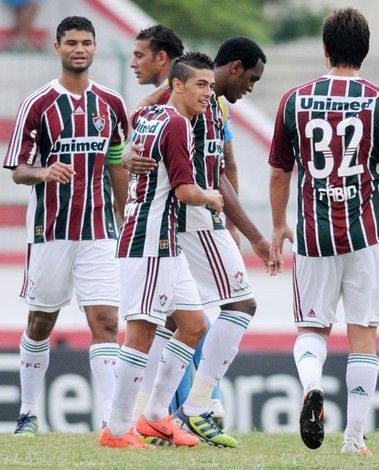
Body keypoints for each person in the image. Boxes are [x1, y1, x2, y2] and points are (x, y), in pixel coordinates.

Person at [268, 8, 379, 456]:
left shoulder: (294, 100)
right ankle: (353, 438)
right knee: (363, 335)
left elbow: (280, 172)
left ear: (324, 50)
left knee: (311, 329)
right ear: (365, 50)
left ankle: (313, 386)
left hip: (314, 236)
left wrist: (280, 225)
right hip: (365, 233)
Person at [125, 36, 270, 448]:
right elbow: (142, 112)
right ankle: (197, 406)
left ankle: (145, 414)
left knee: (172, 323)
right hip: (190, 219)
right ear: (236, 69)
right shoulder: (190, 101)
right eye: (252, 79)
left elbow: (222, 170)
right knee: (238, 305)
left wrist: (247, 233)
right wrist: (128, 152)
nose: (251, 88)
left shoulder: (216, 108)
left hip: (202, 217)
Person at [2, 16, 129, 435]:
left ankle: (112, 423)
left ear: (94, 48)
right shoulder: (37, 104)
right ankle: (28, 412)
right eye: (71, 42)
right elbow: (18, 170)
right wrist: (42, 173)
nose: (80, 49)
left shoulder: (111, 104)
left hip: (98, 232)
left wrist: (123, 214)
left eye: (87, 42)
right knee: (41, 322)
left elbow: (115, 163)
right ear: (57, 47)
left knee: (106, 321)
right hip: (50, 231)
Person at [99, 51, 224, 449]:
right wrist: (212, 197)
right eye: (200, 85)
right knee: (141, 331)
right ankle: (117, 429)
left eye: (211, 85)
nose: (209, 93)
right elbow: (186, 192)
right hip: (149, 240)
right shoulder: (176, 126)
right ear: (178, 86)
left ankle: (154, 416)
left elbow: (134, 116)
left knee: (193, 324)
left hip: (164, 243)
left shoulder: (149, 116)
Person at [126, 23, 225, 428]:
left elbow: (214, 170)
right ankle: (152, 416)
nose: (134, 63)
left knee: (189, 320)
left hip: (182, 227)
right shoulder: (166, 115)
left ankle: (176, 410)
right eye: (201, 85)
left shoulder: (183, 112)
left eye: (140, 55)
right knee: (166, 324)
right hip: (164, 229)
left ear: (163, 62)